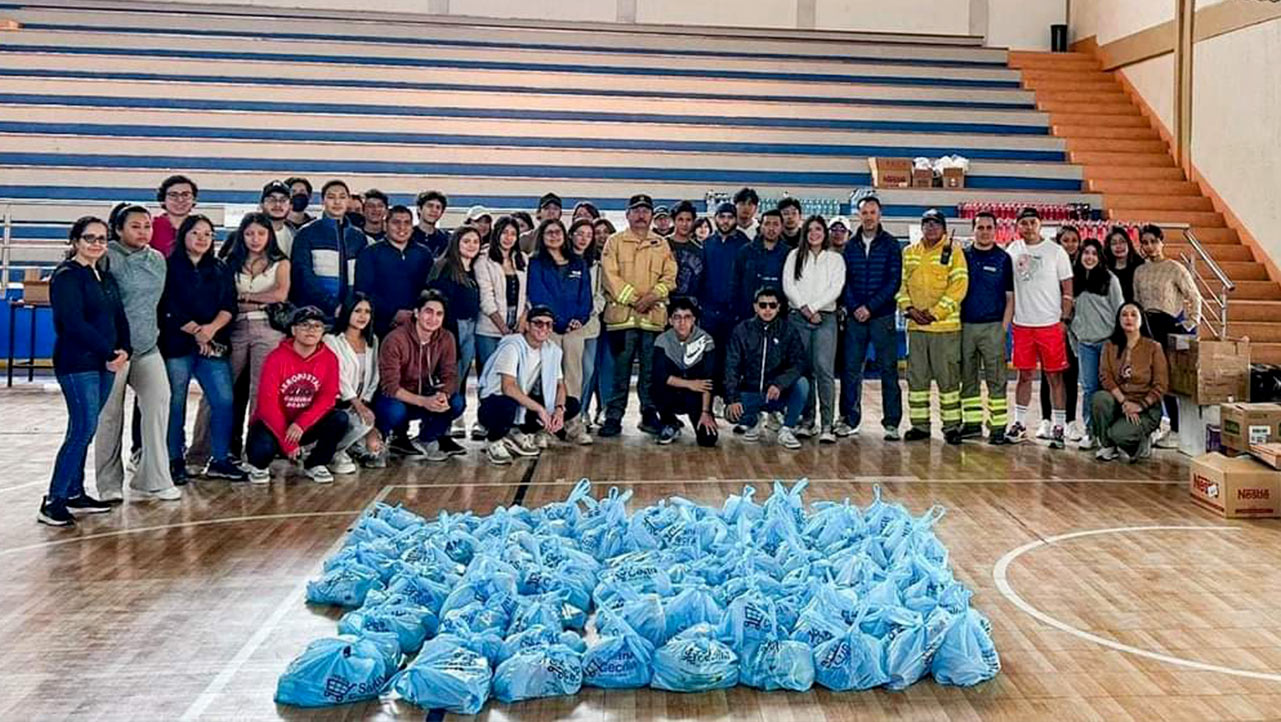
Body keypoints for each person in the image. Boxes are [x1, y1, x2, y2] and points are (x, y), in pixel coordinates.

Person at [40, 217, 130, 526]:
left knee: (84, 429)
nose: (96, 243)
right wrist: (108, 352)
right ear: (76, 241)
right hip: (78, 363)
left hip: (105, 363)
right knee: (82, 428)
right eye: (89, 238)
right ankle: (54, 500)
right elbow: (73, 323)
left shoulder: (104, 276)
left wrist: (124, 349)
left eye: (102, 238)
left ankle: (74, 491)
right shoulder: (67, 276)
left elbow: (119, 316)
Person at [191, 212, 290, 465]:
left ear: (269, 236)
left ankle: (254, 454)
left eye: (260, 233)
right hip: (232, 329)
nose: (255, 239)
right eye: (249, 233)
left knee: (262, 394)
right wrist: (257, 299)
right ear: (241, 235)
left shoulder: (281, 263)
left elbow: (280, 295)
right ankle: (199, 453)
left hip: (268, 330)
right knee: (217, 391)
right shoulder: (227, 263)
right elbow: (224, 300)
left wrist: (244, 299)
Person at [95, 206, 180, 502]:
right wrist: (107, 345)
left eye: (147, 226)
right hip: (114, 351)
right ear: (118, 229)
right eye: (135, 226)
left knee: (159, 403)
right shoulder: (106, 258)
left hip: (147, 347)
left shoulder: (157, 260)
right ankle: (108, 484)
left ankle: (153, 478)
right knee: (110, 416)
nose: (143, 231)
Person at [159, 214, 246, 482]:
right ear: (184, 234)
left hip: (213, 343)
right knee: (175, 401)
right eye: (196, 233)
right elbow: (166, 306)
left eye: (208, 234)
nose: (202, 238)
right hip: (177, 343)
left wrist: (209, 332)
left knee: (223, 400)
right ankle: (174, 458)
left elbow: (229, 305)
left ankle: (219, 458)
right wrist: (197, 332)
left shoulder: (220, 268)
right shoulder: (167, 267)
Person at [599, 194, 676, 438]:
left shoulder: (662, 244)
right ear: (627, 215)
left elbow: (670, 276)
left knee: (650, 371)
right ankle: (613, 416)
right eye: (636, 210)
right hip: (622, 319)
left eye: (645, 210)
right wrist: (636, 299)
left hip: (653, 320)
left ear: (652, 215)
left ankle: (649, 414)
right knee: (620, 372)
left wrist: (652, 297)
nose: (641, 214)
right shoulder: (614, 242)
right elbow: (610, 277)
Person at [244, 306, 348, 484]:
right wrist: (288, 442)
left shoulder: (330, 358)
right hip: (274, 423)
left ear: (323, 331)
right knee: (261, 452)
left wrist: (301, 424)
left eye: (317, 326)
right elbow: (267, 405)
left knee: (339, 418)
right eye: (305, 325)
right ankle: (258, 465)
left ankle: (316, 464)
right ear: (293, 330)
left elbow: (328, 397)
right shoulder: (276, 358)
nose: (311, 330)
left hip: (303, 425)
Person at [897, 209, 968, 444]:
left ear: (944, 228)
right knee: (916, 380)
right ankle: (920, 425)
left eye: (935, 224)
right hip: (917, 329)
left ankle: (951, 427)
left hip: (945, 329)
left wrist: (936, 313)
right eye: (926, 223)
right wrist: (909, 309)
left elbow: (959, 286)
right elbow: (901, 286)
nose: (930, 227)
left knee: (948, 380)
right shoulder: (909, 252)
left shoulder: (954, 252)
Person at [1005, 207, 1074, 448]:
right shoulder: (1013, 249)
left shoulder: (1056, 252)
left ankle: (1059, 426)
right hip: (1022, 325)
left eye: (1033, 222)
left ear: (1040, 225)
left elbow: (1067, 289)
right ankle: (1020, 423)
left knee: (1055, 377)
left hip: (1049, 325)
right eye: (1024, 223)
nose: (1028, 227)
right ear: (1018, 226)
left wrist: (1064, 320)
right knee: (1023, 376)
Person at [477, 305, 580, 465]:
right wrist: (540, 409)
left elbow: (560, 385)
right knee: (507, 405)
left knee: (572, 404)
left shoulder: (551, 350)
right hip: (495, 403)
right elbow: (508, 387)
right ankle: (494, 440)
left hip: (521, 402)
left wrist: (559, 409)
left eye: (548, 324)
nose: (544, 328)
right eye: (538, 323)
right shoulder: (512, 346)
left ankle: (520, 433)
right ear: (527, 325)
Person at [837, 195, 902, 440]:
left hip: (882, 316)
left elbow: (893, 281)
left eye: (872, 212)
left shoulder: (891, 244)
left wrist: (871, 308)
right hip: (856, 318)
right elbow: (845, 281)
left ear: (880, 215)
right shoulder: (850, 246)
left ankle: (892, 423)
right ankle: (849, 419)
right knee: (851, 370)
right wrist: (856, 307)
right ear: (859, 215)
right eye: (864, 212)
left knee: (888, 370)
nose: (868, 217)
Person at [375, 289, 465, 462]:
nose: (433, 318)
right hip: (398, 398)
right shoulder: (395, 339)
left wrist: (443, 394)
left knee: (456, 402)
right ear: (416, 313)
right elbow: (390, 387)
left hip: (425, 393)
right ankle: (390, 438)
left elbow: (450, 375)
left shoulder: (447, 338)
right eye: (428, 312)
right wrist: (424, 402)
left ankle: (426, 439)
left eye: (439, 314)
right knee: (394, 411)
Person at [527, 219, 595, 445]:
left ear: (565, 235)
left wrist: (580, 318)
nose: (554, 236)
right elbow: (538, 294)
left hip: (575, 329)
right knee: (550, 377)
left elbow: (585, 296)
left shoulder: (578, 263)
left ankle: (573, 424)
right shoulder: (536, 263)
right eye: (549, 232)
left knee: (574, 376)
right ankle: (546, 427)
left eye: (558, 232)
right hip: (549, 328)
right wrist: (554, 321)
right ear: (542, 236)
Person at [1133, 224, 1200, 440]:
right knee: (1152, 377)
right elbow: (1136, 300)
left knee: (1170, 378)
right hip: (1147, 327)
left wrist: (1190, 323)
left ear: (1162, 242)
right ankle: (1158, 423)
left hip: (1170, 326)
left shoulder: (1175, 268)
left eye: (1154, 241)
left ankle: (1178, 428)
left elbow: (1194, 296)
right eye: (1145, 242)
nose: (1150, 246)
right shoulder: (1140, 271)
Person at [782, 214, 845, 443]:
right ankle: (807, 421)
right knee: (804, 370)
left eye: (818, 229)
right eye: (810, 230)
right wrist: (805, 308)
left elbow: (836, 287)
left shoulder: (835, 259)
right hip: (798, 317)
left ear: (825, 233)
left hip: (826, 318)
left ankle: (827, 424)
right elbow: (788, 285)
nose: (814, 234)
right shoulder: (794, 256)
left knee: (824, 370)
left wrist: (816, 308)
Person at [724, 286, 810, 450]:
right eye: (763, 305)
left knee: (802, 384)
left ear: (778, 307)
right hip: (751, 391)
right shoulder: (742, 330)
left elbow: (799, 363)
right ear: (755, 307)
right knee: (729, 411)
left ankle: (787, 429)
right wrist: (733, 398)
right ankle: (753, 421)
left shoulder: (788, 331)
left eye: (772, 305)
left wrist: (780, 383)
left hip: (777, 394)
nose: (767, 310)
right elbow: (731, 367)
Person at [958, 211, 1014, 444]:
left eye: (989, 227)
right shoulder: (962, 256)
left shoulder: (1003, 259)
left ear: (995, 230)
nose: (984, 231)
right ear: (973, 230)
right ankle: (972, 424)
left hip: (993, 327)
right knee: (967, 378)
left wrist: (1003, 328)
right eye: (980, 227)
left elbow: (1010, 297)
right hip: (966, 327)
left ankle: (998, 427)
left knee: (996, 378)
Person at [474, 215, 529, 438]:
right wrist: (503, 328)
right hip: (490, 328)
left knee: (513, 377)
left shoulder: (523, 259)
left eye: (513, 233)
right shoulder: (483, 259)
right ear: (497, 233)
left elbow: (529, 296)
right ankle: (486, 422)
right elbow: (485, 298)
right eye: (504, 232)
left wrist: (522, 322)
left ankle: (510, 421)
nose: (508, 238)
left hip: (517, 329)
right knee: (489, 378)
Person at [1093, 302, 1168, 462]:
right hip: (1120, 402)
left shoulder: (1154, 347)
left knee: (1118, 434)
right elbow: (1105, 377)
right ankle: (1108, 446)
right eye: (1124, 314)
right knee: (1100, 399)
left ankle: (1139, 441)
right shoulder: (1110, 346)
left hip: (1145, 407)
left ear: (1141, 320)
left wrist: (1140, 406)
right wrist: (1125, 402)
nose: (1129, 318)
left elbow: (1161, 385)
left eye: (1134, 315)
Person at [1070, 238, 1125, 451]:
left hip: (1107, 343)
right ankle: (1091, 431)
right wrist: (1075, 341)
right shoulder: (1073, 281)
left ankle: (1109, 434)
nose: (1089, 257)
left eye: (1094, 253)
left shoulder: (1110, 280)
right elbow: (1070, 315)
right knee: (1089, 388)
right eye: (1086, 253)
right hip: (1085, 344)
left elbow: (1119, 310)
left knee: (1108, 388)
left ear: (1100, 257)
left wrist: (1117, 344)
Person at [290, 179, 368, 320]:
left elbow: (363, 278)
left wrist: (352, 308)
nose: (337, 202)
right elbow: (303, 275)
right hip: (315, 314)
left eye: (342, 197)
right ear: (322, 201)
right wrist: (332, 305)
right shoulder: (307, 233)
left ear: (348, 201)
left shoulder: (358, 237)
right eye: (331, 197)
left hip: (350, 315)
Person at [355, 204, 433, 339]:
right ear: (385, 225)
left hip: (417, 325)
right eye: (396, 222)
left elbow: (429, 289)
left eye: (407, 223)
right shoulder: (370, 253)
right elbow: (364, 291)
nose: (402, 227)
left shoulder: (424, 254)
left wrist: (417, 313)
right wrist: (393, 313)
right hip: (380, 326)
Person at [699, 202, 750, 406]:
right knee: (711, 356)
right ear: (715, 219)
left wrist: (742, 308)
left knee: (733, 357)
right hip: (710, 312)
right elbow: (702, 276)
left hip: (734, 313)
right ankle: (711, 398)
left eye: (730, 217)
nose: (726, 221)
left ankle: (730, 397)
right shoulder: (707, 244)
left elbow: (746, 279)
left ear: (735, 219)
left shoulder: (744, 244)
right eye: (722, 217)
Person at [324, 293, 382, 471]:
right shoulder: (331, 340)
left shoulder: (372, 341)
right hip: (336, 403)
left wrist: (364, 401)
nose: (363, 316)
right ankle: (330, 452)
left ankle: (347, 447)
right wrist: (356, 404)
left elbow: (374, 376)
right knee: (361, 421)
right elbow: (338, 376)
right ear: (347, 311)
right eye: (357, 311)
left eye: (367, 311)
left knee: (369, 431)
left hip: (360, 401)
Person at [650, 297, 718, 447]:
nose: (682, 322)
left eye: (687, 317)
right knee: (655, 387)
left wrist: (706, 412)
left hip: (695, 397)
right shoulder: (662, 340)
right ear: (670, 320)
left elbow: (708, 379)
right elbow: (660, 375)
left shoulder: (706, 341)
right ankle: (669, 422)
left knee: (708, 439)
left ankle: (702, 416)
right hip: (671, 392)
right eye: (677, 318)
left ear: (694, 319)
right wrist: (689, 384)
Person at [1038, 225, 1084, 441]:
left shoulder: (1084, 266)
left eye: (1074, 240)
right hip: (1052, 326)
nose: (1071, 244)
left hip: (1076, 329)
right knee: (1049, 374)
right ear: (1059, 242)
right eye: (1066, 240)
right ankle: (1046, 420)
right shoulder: (1050, 263)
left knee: (1071, 375)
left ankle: (1070, 422)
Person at [571, 218, 608, 438]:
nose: (583, 238)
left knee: (587, 370)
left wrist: (588, 312)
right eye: (579, 233)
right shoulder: (563, 260)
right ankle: (566, 415)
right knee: (569, 373)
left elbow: (600, 295)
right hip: (567, 326)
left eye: (588, 234)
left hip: (590, 325)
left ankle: (581, 411)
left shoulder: (597, 264)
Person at [586, 218, 618, 424]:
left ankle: (605, 407)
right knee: (587, 366)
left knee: (608, 363)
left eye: (606, 232)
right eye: (597, 232)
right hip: (588, 319)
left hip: (612, 318)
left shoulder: (618, 257)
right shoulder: (583, 259)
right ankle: (582, 410)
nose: (602, 236)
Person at [733, 208, 788, 320]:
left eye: (776, 224)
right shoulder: (746, 251)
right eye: (767, 224)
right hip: (748, 313)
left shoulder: (788, 253)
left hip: (778, 315)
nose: (771, 228)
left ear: (782, 227)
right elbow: (735, 282)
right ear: (761, 226)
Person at [150, 174, 197, 257]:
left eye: (186, 195)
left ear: (193, 199)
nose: (180, 200)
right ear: (163, 199)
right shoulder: (150, 227)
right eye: (173, 195)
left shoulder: (200, 227)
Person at [666, 200, 704, 298]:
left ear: (693, 222)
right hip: (665, 304)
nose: (684, 224)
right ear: (673, 221)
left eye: (688, 220)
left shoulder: (699, 249)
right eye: (680, 219)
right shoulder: (663, 245)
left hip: (690, 305)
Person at [257, 180, 296, 257]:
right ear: (262, 205)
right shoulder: (247, 234)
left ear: (291, 206)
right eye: (272, 200)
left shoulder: (296, 237)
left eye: (283, 200)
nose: (277, 204)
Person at [1104, 226, 1143, 303]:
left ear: (1128, 243)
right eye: (1114, 243)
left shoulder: (1140, 266)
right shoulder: (1105, 269)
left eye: (1122, 242)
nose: (1119, 246)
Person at [409, 190, 450, 259]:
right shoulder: (407, 236)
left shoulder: (447, 239)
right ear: (419, 209)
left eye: (438, 207)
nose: (434, 210)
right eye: (430, 206)